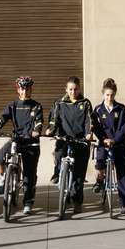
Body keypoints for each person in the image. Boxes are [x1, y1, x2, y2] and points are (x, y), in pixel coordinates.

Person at [0, 76, 43, 215]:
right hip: (17, 140)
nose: (25, 91)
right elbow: (2, 118)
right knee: (2, 153)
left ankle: (28, 203)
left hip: (31, 142)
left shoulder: (36, 106)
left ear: (31, 89)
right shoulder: (12, 105)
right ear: (18, 89)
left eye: (27, 88)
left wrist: (36, 131)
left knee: (29, 175)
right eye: (22, 88)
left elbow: (39, 121)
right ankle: (3, 178)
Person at [45, 76, 94, 214]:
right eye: (70, 89)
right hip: (64, 138)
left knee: (79, 174)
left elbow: (89, 121)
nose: (73, 92)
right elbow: (54, 120)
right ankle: (57, 173)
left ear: (79, 89)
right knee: (59, 154)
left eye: (76, 89)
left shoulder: (85, 103)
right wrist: (50, 130)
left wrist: (89, 133)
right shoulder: (59, 103)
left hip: (80, 140)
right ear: (66, 89)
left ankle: (77, 201)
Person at [92, 78, 125, 215]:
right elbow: (96, 128)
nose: (109, 97)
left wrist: (114, 140)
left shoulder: (121, 109)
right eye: (107, 95)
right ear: (103, 94)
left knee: (122, 175)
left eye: (112, 95)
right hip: (103, 142)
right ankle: (100, 179)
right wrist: (104, 139)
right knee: (100, 159)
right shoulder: (97, 109)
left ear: (115, 94)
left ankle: (124, 203)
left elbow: (124, 128)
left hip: (118, 144)